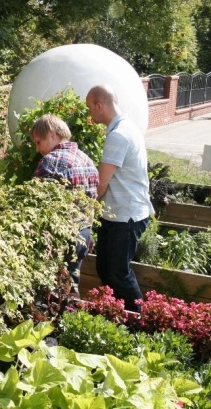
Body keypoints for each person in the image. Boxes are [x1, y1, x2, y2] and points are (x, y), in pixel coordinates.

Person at [85, 84, 154, 312]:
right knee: (105, 269)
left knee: (117, 273)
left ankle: (140, 320)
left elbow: (101, 183)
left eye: (89, 108)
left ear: (99, 105)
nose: (89, 114)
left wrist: (86, 213)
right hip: (118, 214)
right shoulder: (127, 127)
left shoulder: (119, 135)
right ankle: (116, 316)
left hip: (126, 216)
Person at [30, 114, 99, 296]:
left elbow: (35, 205)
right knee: (71, 284)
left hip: (58, 237)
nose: (38, 149)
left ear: (52, 135)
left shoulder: (50, 162)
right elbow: (93, 203)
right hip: (83, 234)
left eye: (38, 142)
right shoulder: (87, 160)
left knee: (49, 291)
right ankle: (69, 319)